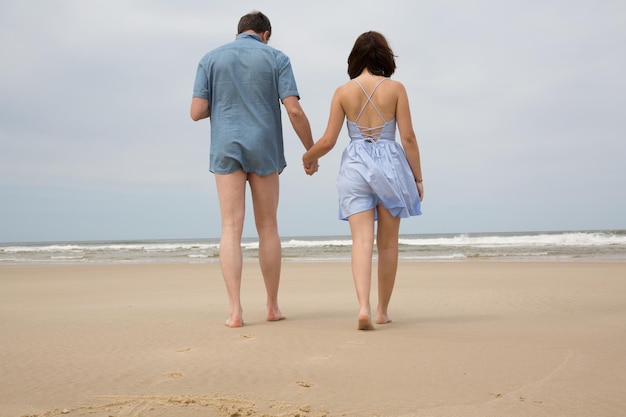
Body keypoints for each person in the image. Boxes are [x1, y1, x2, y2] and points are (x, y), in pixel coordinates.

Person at [191, 11, 318, 328]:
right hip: (264, 146)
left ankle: (235, 312)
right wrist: (311, 150)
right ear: (265, 34)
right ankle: (272, 307)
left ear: (239, 33)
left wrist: (224, 101)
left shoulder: (210, 59)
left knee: (231, 228)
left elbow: (196, 111)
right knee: (268, 228)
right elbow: (294, 109)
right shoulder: (277, 58)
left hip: (226, 146)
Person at [302, 31, 423, 330]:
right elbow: (407, 137)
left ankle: (363, 307)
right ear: (384, 56)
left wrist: (309, 156)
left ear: (355, 58)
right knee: (388, 245)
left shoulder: (343, 92)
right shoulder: (396, 89)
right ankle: (382, 311)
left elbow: (328, 141)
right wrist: (418, 179)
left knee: (361, 241)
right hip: (391, 168)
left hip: (355, 165)